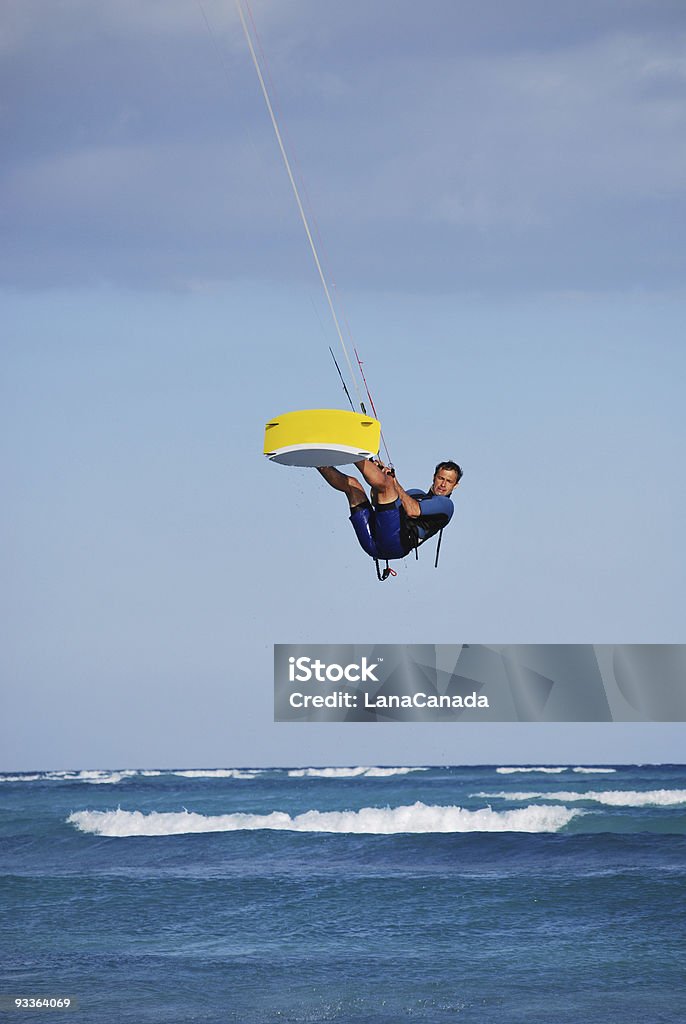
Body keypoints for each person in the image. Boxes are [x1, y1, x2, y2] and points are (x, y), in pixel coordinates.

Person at [317, 458, 462, 562]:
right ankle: (318, 461)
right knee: (353, 486)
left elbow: (413, 510)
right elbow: (378, 502)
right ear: (434, 477)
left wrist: (391, 481)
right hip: (372, 541)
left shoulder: (446, 505)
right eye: (441, 478)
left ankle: (353, 453)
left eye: (449, 481)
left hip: (395, 544)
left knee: (386, 485)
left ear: (455, 486)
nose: (443, 484)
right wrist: (379, 473)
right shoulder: (415, 493)